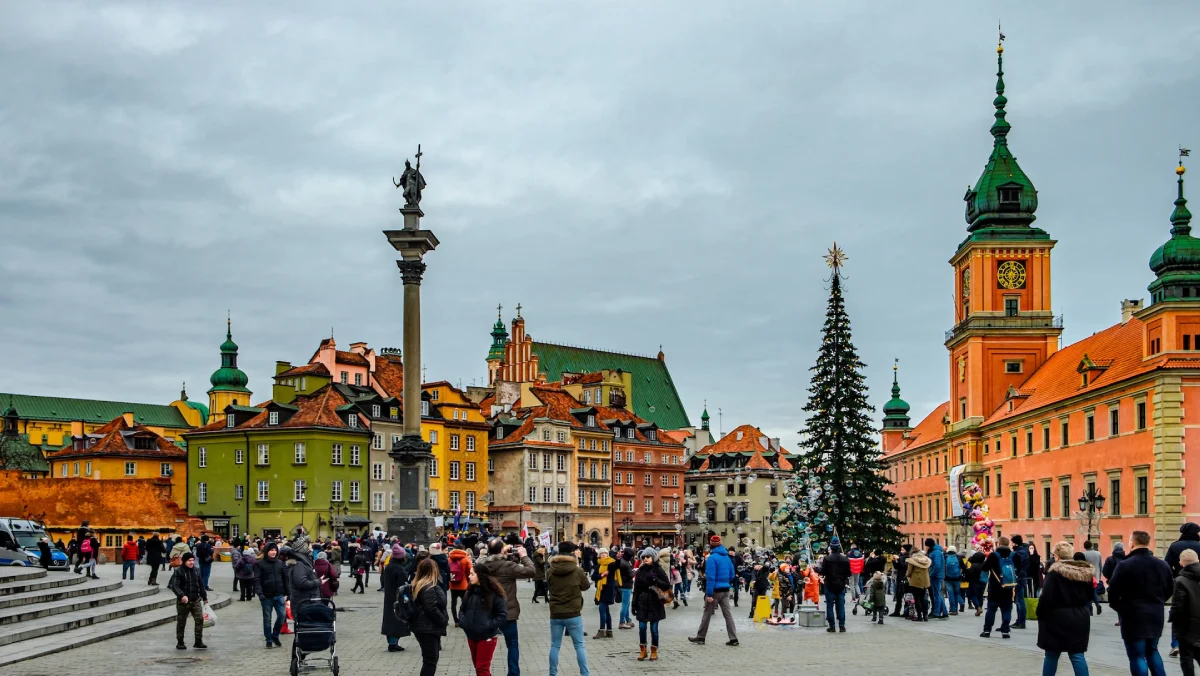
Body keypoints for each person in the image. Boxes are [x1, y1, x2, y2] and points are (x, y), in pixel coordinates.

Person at [1109, 530, 1173, 676]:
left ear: (1132, 542)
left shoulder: (1125, 565)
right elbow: (1170, 588)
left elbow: (1113, 591)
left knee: (1137, 655)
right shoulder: (1162, 565)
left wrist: (1120, 608)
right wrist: (1158, 602)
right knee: (1152, 650)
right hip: (1155, 613)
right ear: (1148, 543)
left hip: (1132, 615)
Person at [477, 538, 535, 676]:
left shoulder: (481, 567)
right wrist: (524, 556)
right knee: (512, 644)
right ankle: (513, 673)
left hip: (487, 612)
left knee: (485, 644)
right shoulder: (507, 566)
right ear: (501, 551)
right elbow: (531, 571)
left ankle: (484, 671)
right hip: (507, 611)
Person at [1037, 542, 1093, 676]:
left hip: (1056, 618)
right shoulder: (1085, 572)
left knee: (1051, 655)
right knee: (1077, 655)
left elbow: (1046, 598)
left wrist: (1040, 614)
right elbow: (1090, 595)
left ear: (1056, 556)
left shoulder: (1055, 573)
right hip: (1080, 616)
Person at [546, 541, 591, 676]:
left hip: (556, 613)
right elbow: (586, 586)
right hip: (573, 613)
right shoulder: (577, 570)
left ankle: (552, 674)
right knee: (579, 646)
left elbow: (549, 585)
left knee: (555, 645)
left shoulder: (550, 570)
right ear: (572, 553)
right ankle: (585, 674)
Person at [688, 535, 738, 646]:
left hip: (715, 590)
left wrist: (709, 594)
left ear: (711, 545)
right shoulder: (727, 557)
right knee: (728, 614)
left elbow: (711, 578)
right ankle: (734, 638)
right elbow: (732, 575)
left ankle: (701, 637)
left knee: (707, 614)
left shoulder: (711, 558)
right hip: (725, 589)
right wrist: (725, 582)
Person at [460, 562, 508, 676]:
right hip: (471, 635)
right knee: (478, 667)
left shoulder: (494, 593)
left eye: (472, 574)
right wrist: (464, 622)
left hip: (487, 637)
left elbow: (502, 615)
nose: (469, 576)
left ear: (480, 575)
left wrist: (489, 625)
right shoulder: (470, 591)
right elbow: (462, 609)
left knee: (482, 668)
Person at [410, 558, 449, 676]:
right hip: (427, 627)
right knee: (430, 661)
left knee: (430, 660)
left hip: (425, 627)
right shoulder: (428, 587)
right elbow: (431, 608)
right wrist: (442, 620)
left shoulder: (420, 584)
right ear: (434, 570)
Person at [633, 548, 670, 661]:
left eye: (648, 557)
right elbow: (636, 589)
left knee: (654, 629)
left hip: (655, 602)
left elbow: (666, 585)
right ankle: (643, 650)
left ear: (653, 558)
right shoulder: (640, 570)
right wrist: (634, 604)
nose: (645, 559)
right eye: (643, 557)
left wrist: (655, 579)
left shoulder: (658, 570)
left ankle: (654, 650)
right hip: (642, 602)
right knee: (642, 627)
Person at [166, 552, 208, 650]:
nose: (191, 562)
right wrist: (181, 595)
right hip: (183, 602)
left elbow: (201, 585)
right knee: (181, 622)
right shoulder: (179, 571)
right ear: (184, 561)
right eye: (189, 560)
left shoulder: (196, 571)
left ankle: (198, 641)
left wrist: (204, 598)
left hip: (195, 600)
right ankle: (180, 642)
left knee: (199, 620)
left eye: (193, 560)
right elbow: (174, 586)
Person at [253, 542, 290, 649]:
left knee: (282, 616)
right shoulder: (259, 564)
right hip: (266, 596)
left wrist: (288, 594)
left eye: (275, 550)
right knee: (267, 619)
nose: (273, 552)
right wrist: (260, 593)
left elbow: (285, 579)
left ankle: (275, 635)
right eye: (271, 550)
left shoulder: (280, 563)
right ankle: (269, 639)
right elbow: (257, 580)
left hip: (279, 595)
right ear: (266, 551)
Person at [980, 536, 1017, 638]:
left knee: (991, 609)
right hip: (1008, 587)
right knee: (1006, 609)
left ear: (998, 544)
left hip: (995, 587)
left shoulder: (994, 555)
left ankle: (987, 630)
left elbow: (984, 567)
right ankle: (1005, 631)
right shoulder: (1013, 555)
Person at [1172, 549, 1200, 676]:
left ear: (1181, 563)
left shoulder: (1180, 580)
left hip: (1186, 624)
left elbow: (1178, 605)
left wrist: (1173, 618)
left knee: (1186, 658)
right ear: (1197, 560)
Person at [381, 544, 412, 652]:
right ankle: (393, 643)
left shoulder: (388, 567)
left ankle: (391, 641)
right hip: (398, 597)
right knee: (397, 619)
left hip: (389, 596)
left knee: (389, 619)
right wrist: (406, 597)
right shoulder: (399, 569)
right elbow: (403, 585)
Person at [592, 549, 618, 639]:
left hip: (609, 589)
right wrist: (601, 575)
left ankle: (602, 630)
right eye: (602, 553)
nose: (603, 555)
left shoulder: (611, 563)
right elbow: (593, 577)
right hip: (601, 589)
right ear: (599, 555)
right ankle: (609, 631)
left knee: (602, 608)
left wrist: (618, 558)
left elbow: (616, 566)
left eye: (605, 553)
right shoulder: (599, 564)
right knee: (606, 610)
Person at [449, 545, 473, 628]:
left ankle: (456, 621)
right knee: (465, 603)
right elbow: (470, 572)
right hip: (463, 585)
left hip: (452, 584)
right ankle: (463, 619)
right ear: (463, 549)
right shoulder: (465, 559)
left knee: (453, 603)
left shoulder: (449, 559)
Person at [906, 546, 932, 621]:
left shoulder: (912, 560)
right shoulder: (926, 559)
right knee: (923, 598)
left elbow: (909, 572)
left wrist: (907, 576)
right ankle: (925, 615)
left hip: (915, 581)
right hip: (925, 581)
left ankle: (919, 616)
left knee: (917, 599)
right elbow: (928, 570)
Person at [1011, 534, 1031, 628]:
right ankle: (1019, 620)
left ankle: (1021, 621)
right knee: (1018, 599)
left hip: (1020, 576)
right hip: (1021, 576)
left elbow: (1019, 563)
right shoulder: (1024, 550)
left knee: (1019, 600)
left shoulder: (1021, 552)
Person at [925, 538, 947, 619]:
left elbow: (937, 565)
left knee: (936, 595)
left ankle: (937, 612)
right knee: (938, 594)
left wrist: (931, 574)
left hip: (936, 576)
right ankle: (944, 612)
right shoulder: (937, 550)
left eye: (926, 546)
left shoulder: (936, 552)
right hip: (937, 575)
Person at [890, 544, 912, 617]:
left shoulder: (909, 557)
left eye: (902, 550)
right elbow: (897, 567)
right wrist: (894, 561)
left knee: (906, 595)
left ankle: (906, 611)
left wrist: (898, 559)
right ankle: (897, 611)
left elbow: (904, 566)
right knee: (898, 595)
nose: (901, 551)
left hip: (905, 578)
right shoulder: (902, 557)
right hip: (899, 577)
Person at [617, 548, 635, 629]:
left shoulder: (621, 561)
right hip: (626, 586)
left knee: (627, 604)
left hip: (620, 585)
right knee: (625, 605)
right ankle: (621, 622)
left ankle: (628, 620)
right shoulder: (626, 564)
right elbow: (631, 575)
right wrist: (636, 571)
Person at [967, 547, 987, 614]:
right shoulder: (985, 564)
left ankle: (977, 607)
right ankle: (980, 607)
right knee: (980, 595)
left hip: (974, 582)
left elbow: (969, 574)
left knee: (973, 595)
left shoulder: (974, 565)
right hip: (983, 581)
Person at [944, 545, 964, 615]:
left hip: (948, 578)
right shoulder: (959, 557)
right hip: (957, 578)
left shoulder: (945, 557)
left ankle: (953, 609)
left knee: (951, 594)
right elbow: (964, 567)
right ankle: (956, 608)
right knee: (956, 593)